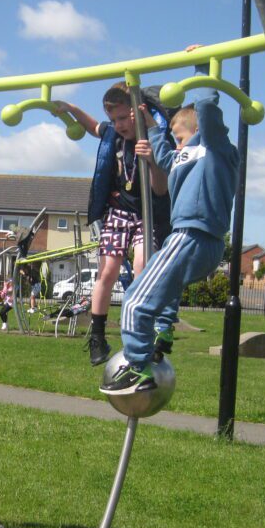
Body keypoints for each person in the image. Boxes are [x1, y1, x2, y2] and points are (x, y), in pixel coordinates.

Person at [102, 53, 240, 394]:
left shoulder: (214, 149)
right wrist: (150, 123)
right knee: (164, 287)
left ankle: (138, 368)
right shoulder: (183, 156)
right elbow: (165, 156)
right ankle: (162, 330)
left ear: (198, 131)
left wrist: (202, 68)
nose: (177, 144)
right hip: (198, 242)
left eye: (180, 137)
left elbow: (207, 111)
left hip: (193, 233)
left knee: (135, 300)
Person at [55, 83, 173, 367]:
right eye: (114, 119)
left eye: (123, 118)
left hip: (147, 214)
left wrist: (152, 161)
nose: (118, 125)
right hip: (118, 212)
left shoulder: (153, 138)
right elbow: (92, 126)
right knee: (107, 270)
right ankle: (97, 336)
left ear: (137, 113)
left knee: (143, 265)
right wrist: (70, 109)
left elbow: (160, 189)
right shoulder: (113, 136)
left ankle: (145, 329)